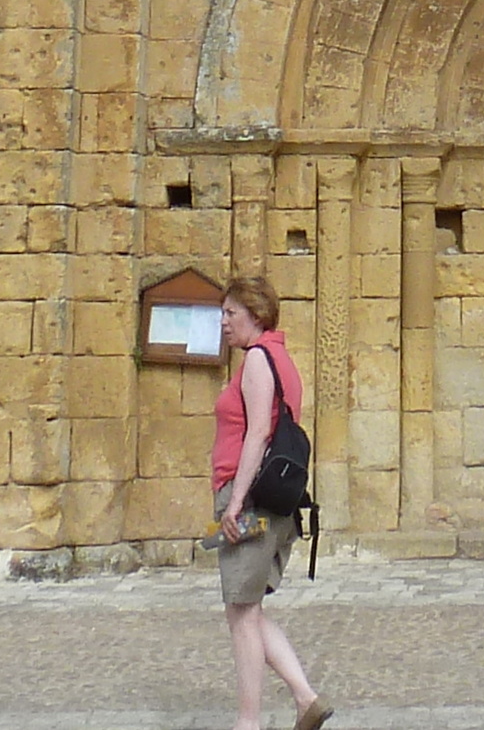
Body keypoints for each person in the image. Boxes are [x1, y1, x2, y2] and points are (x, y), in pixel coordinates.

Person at [211, 278, 329, 730]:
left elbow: (258, 433)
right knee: (250, 609)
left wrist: (235, 503)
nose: (223, 323)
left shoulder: (259, 360)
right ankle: (305, 698)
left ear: (256, 316)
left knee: (240, 613)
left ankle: (248, 723)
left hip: (252, 497)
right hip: (274, 499)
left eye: (230, 314)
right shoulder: (280, 358)